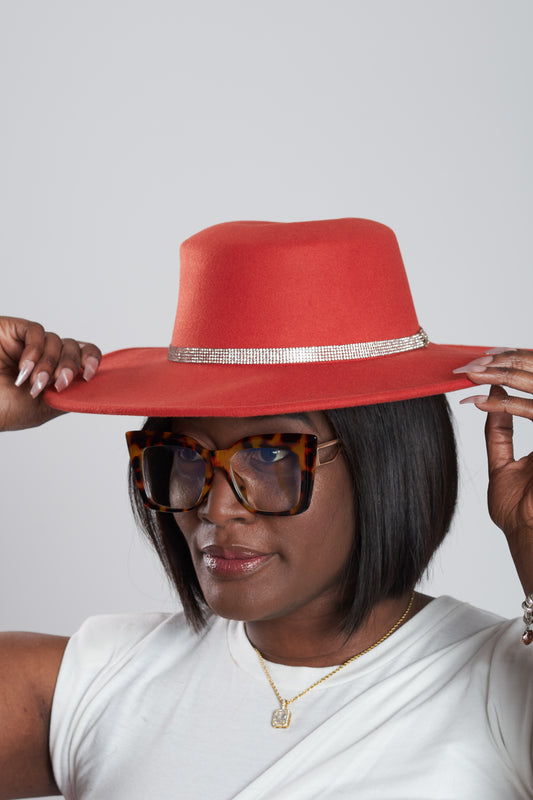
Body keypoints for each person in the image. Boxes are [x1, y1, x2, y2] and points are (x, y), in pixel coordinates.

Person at [1, 217, 532, 799]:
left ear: (387, 461)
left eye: (272, 456)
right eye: (184, 454)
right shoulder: (104, 678)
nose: (216, 508)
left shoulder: (502, 689)